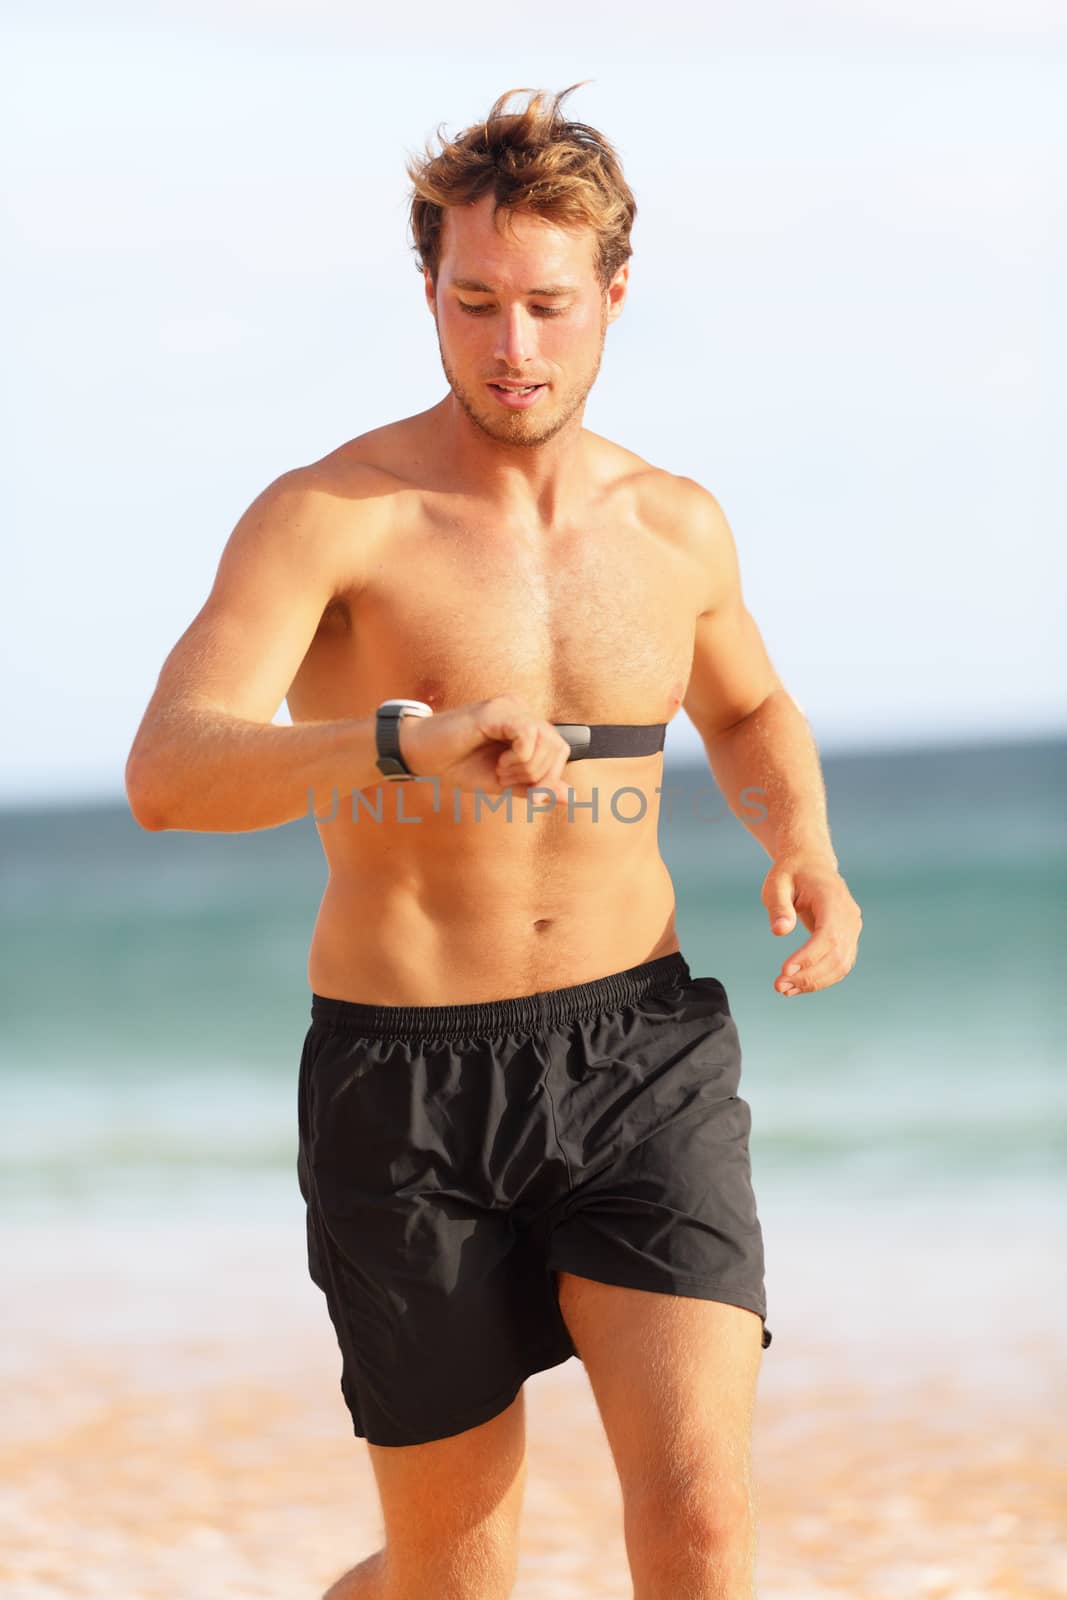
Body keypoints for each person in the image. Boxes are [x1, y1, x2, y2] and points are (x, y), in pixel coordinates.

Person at [125, 82, 862, 1600]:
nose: (510, 348)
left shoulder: (677, 526)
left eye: (544, 305)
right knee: (450, 1579)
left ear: (613, 296)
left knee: (704, 1529)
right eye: (474, 304)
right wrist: (401, 736)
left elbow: (749, 708)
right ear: (430, 294)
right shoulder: (333, 514)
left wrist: (807, 847)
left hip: (639, 1050)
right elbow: (170, 769)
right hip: (406, 1085)